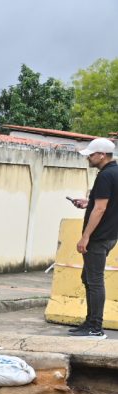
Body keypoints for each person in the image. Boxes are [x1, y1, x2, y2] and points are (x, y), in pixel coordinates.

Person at [69, 138, 118, 338]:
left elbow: (100, 208)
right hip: (110, 235)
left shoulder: (105, 175)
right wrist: (87, 203)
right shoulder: (115, 172)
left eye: (91, 154)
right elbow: (102, 203)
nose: (88, 158)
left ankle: (95, 327)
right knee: (88, 278)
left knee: (95, 281)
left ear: (102, 155)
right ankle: (90, 322)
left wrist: (85, 237)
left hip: (98, 237)